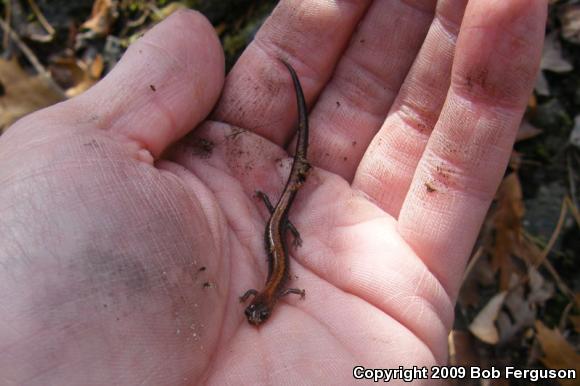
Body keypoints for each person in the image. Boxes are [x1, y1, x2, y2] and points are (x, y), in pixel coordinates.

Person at [0, 0, 546, 384]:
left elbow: (283, 273)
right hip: (274, 222)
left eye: (257, 311)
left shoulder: (273, 289)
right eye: (259, 311)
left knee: (281, 213)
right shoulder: (274, 289)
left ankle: (284, 188)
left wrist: (278, 227)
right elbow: (285, 280)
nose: (258, 311)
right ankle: (284, 190)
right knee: (280, 214)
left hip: (275, 221)